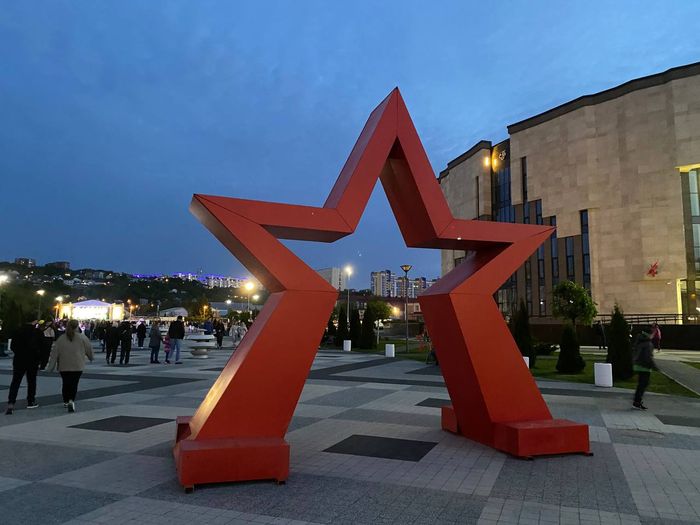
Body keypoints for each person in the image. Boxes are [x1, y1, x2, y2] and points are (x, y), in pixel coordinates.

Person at [46, 319, 93, 413]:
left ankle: (66, 401)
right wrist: (91, 357)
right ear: (77, 326)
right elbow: (89, 349)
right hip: (77, 365)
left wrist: (50, 367)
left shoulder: (61, 338)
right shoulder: (82, 337)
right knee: (74, 383)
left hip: (64, 365)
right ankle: (71, 399)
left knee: (66, 383)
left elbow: (54, 353)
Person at [6, 316, 42, 415]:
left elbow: (13, 346)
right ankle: (31, 401)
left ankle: (11, 403)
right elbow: (41, 346)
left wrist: (19, 353)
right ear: (35, 321)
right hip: (32, 360)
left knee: (15, 381)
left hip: (19, 359)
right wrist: (39, 358)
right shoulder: (37, 332)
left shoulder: (17, 331)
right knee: (31, 381)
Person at [632, 330, 657, 410]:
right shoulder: (648, 344)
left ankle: (637, 401)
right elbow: (648, 357)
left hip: (638, 365)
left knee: (641, 384)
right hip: (645, 367)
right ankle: (637, 401)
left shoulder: (640, 341)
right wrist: (654, 366)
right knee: (643, 385)